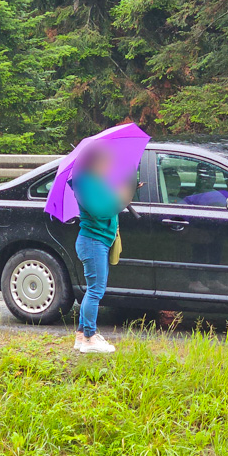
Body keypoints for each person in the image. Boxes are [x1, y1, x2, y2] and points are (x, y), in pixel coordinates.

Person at [71, 146, 135, 354]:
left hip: (99, 241)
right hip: (92, 241)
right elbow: (100, 211)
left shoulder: (97, 180)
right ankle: (90, 337)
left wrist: (124, 191)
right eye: (105, 161)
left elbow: (109, 202)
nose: (108, 165)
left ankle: (81, 335)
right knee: (96, 290)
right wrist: (121, 198)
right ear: (94, 161)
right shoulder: (86, 183)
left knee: (93, 289)